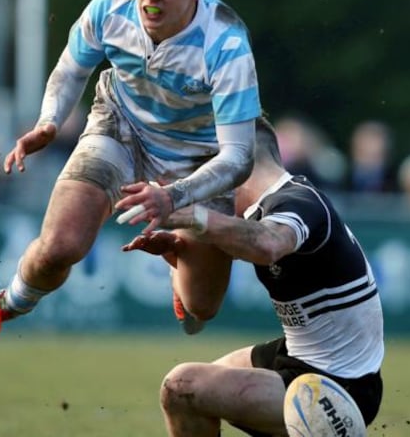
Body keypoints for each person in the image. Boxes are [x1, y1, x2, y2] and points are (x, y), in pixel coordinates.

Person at [0, 0, 261, 337]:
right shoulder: (114, 1)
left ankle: (176, 261)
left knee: (202, 309)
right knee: (60, 246)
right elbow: (72, 69)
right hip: (120, 128)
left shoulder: (227, 44)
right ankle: (9, 303)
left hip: (197, 160)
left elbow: (238, 157)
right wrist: (49, 121)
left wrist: (172, 197)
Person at [122, 117, 384, 436]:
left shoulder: (298, 201)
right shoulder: (253, 216)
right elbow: (196, 316)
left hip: (341, 387)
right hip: (299, 356)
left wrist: (190, 215)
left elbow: (269, 243)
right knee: (186, 391)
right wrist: (175, 256)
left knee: (182, 386)